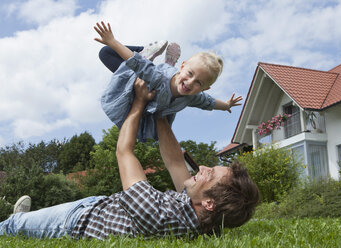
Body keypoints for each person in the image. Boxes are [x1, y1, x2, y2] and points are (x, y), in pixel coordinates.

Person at [0, 78, 259, 240]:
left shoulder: (155, 214)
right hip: (103, 205)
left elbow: (124, 151)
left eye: (209, 174)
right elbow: (175, 163)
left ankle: (18, 220)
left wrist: (139, 102)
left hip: (79, 218)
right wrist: (160, 112)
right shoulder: (204, 219)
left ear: (210, 203)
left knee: (13, 226)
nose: (201, 167)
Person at [94, 21, 243, 141]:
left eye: (199, 83)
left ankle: (168, 63)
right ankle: (144, 52)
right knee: (107, 54)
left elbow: (209, 102)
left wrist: (226, 105)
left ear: (205, 89)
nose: (191, 82)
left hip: (153, 99)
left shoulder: (192, 97)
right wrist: (112, 41)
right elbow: (136, 63)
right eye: (190, 74)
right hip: (146, 76)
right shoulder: (158, 77)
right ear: (182, 66)